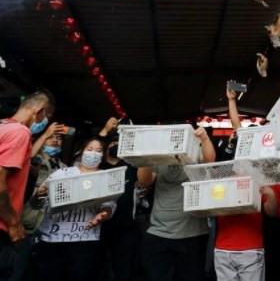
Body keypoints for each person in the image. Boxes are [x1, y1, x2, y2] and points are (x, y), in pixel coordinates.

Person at [137, 126, 216, 281]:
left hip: (193, 232)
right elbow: (144, 181)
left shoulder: (194, 152)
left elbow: (209, 160)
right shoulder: (159, 156)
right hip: (159, 231)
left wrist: (204, 138)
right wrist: (145, 156)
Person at [32, 138, 115, 281]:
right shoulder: (61, 174)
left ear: (103, 155)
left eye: (98, 150)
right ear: (82, 152)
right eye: (89, 149)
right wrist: (38, 195)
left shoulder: (106, 178)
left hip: (86, 240)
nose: (93, 153)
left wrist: (103, 214)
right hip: (52, 240)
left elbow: (109, 206)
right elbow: (36, 204)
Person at [212, 84, 265, 281]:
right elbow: (237, 127)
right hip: (225, 246)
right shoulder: (232, 165)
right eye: (246, 139)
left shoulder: (262, 166)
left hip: (251, 245)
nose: (249, 142)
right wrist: (232, 101)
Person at [0, 91, 55, 279]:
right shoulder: (20, 132)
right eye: (47, 116)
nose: (45, 122)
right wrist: (13, 222)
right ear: (40, 111)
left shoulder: (3, 127)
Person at [100, 134, 140, 281]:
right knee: (99, 266)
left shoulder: (132, 167)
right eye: (112, 144)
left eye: (118, 144)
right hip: (98, 226)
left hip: (126, 225)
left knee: (124, 268)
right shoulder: (98, 167)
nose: (115, 146)